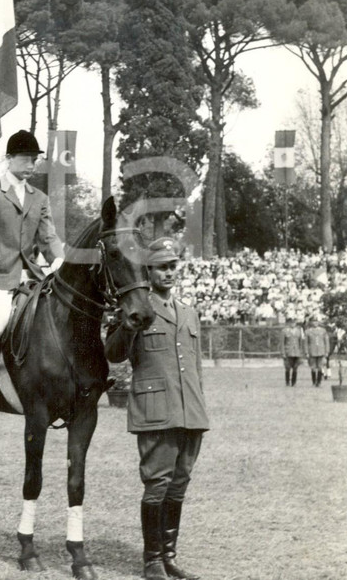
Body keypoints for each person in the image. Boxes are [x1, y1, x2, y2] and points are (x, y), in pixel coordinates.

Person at [105, 237, 208, 580]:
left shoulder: (189, 312)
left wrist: (199, 408)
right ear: (147, 271)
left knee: (179, 484)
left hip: (190, 410)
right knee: (157, 485)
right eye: (161, 266)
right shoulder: (137, 308)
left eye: (172, 265)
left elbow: (195, 367)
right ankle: (152, 560)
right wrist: (125, 324)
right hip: (156, 411)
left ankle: (169, 557)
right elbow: (114, 353)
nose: (168, 272)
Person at [0, 129, 65, 413]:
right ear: (9, 158)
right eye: (27, 159)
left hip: (30, 275)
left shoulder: (39, 197)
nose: (32, 165)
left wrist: (60, 259)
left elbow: (48, 237)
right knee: (0, 316)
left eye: (35, 160)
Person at [304, 315, 330, 387]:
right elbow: (306, 343)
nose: (315, 323)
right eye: (313, 322)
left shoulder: (323, 331)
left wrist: (327, 351)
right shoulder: (308, 331)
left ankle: (319, 382)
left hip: (321, 351)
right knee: (313, 367)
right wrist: (306, 352)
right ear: (311, 323)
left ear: (318, 322)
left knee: (320, 367)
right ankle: (313, 382)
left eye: (316, 321)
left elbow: (326, 342)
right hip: (312, 351)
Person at [282, 320, 307, 387]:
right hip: (288, 352)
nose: (293, 324)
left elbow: (301, 342)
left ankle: (294, 382)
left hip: (296, 352)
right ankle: (287, 382)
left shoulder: (298, 331)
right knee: (288, 368)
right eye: (291, 323)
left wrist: (301, 352)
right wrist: (283, 353)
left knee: (295, 368)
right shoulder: (284, 331)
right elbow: (282, 343)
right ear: (288, 323)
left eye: (294, 323)